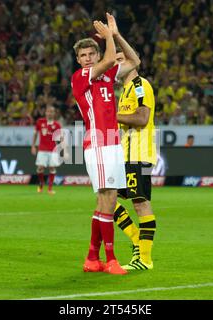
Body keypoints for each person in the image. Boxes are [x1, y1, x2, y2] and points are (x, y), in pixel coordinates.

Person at [71, 13, 140, 275]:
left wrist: (117, 35)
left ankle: (92, 257)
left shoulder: (108, 75)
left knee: (105, 201)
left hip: (112, 142)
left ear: (96, 55)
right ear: (78, 61)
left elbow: (134, 61)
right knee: (108, 200)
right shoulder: (80, 78)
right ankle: (110, 259)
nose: (87, 59)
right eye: (83, 56)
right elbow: (112, 58)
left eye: (91, 54)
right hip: (98, 142)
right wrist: (109, 36)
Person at [113, 46, 157, 271]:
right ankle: (137, 241)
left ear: (130, 61)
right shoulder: (125, 92)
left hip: (140, 155)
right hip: (126, 155)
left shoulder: (141, 85)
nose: (115, 65)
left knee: (141, 204)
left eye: (119, 60)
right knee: (109, 199)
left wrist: (111, 115)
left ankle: (145, 259)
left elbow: (142, 118)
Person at [31, 105, 62, 195]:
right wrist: (33, 145)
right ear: (45, 112)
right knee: (40, 168)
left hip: (52, 149)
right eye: (48, 111)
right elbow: (35, 134)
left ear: (54, 113)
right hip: (42, 149)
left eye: (51, 112)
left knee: (52, 167)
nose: (49, 113)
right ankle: (41, 184)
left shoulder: (57, 125)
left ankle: (50, 189)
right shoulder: (40, 122)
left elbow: (61, 137)